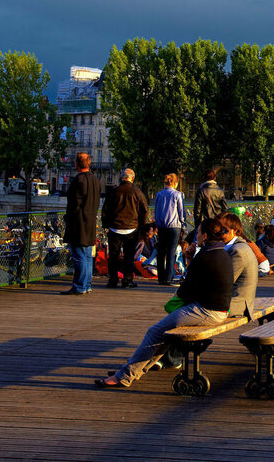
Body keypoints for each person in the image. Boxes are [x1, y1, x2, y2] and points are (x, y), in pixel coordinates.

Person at [95, 218, 233, 389]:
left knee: (154, 332)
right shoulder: (221, 252)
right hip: (218, 309)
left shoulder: (205, 256)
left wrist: (188, 262)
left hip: (207, 311)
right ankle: (133, 370)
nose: (196, 236)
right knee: (165, 333)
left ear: (205, 236)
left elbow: (186, 289)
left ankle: (124, 376)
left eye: (198, 233)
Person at [61, 152, 102, 295]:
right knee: (88, 256)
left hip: (78, 223)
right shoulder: (95, 180)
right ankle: (87, 285)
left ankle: (79, 286)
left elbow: (74, 204)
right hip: (90, 222)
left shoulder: (78, 180)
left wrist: (68, 219)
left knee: (79, 256)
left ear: (77, 164)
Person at [101, 168, 149, 289]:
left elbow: (105, 210)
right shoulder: (137, 192)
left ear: (121, 177)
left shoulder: (113, 191)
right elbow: (144, 210)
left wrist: (106, 224)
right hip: (131, 228)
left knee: (113, 256)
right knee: (129, 256)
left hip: (115, 227)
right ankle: (127, 280)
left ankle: (113, 280)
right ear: (132, 178)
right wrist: (141, 226)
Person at [218, 213, 258, 318]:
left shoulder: (237, 251)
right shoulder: (235, 247)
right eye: (218, 230)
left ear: (234, 230)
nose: (220, 233)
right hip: (236, 301)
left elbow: (224, 283)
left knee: (186, 310)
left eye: (224, 230)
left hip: (236, 304)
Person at [153, 173, 185, 286]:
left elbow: (156, 211)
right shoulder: (178, 195)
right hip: (174, 226)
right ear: (175, 183)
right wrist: (183, 224)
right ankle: (168, 278)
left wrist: (157, 224)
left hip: (162, 226)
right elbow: (181, 211)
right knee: (171, 252)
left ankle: (161, 278)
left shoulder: (159, 195)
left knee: (161, 252)